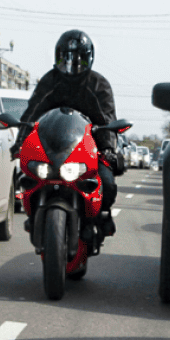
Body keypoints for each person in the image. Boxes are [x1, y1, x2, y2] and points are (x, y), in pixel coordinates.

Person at [14, 29, 123, 235]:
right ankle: (33, 215)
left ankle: (99, 218)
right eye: (66, 59)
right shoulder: (50, 81)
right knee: (25, 177)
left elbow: (108, 119)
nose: (72, 64)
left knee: (107, 183)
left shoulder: (99, 85)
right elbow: (32, 112)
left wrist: (108, 148)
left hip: (88, 148)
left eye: (79, 60)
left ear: (89, 60)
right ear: (57, 57)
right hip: (51, 147)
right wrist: (20, 141)